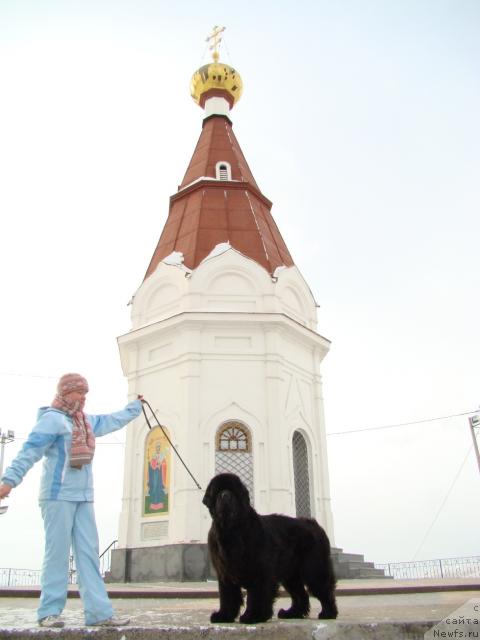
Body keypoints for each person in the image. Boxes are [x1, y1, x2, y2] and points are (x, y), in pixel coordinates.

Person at [0, 373, 144, 628]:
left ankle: (99, 613)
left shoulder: (85, 422)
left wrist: (135, 407)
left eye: (86, 393)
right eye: (80, 393)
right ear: (66, 393)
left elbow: (112, 420)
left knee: (89, 555)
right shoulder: (52, 421)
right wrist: (9, 482)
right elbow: (30, 451)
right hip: (57, 496)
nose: (83, 398)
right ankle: (49, 612)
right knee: (57, 554)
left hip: (83, 497)